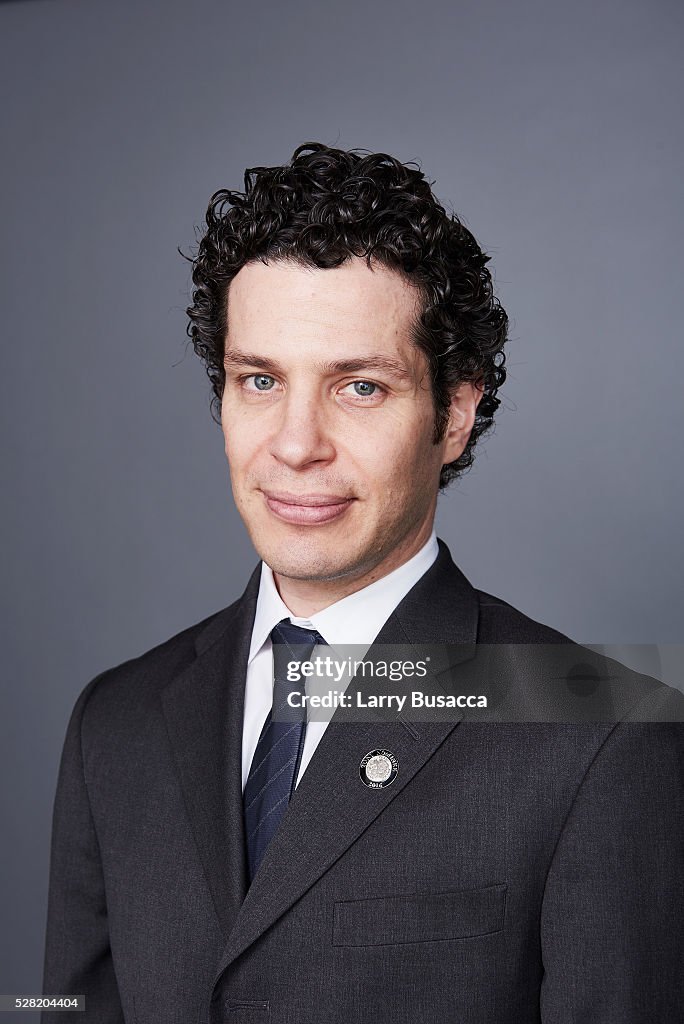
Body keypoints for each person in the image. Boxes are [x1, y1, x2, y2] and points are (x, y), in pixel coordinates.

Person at [42, 143, 683, 1023]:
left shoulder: (606, 734)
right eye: (259, 380)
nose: (296, 443)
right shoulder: (114, 721)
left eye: (360, 387)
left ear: (454, 414)